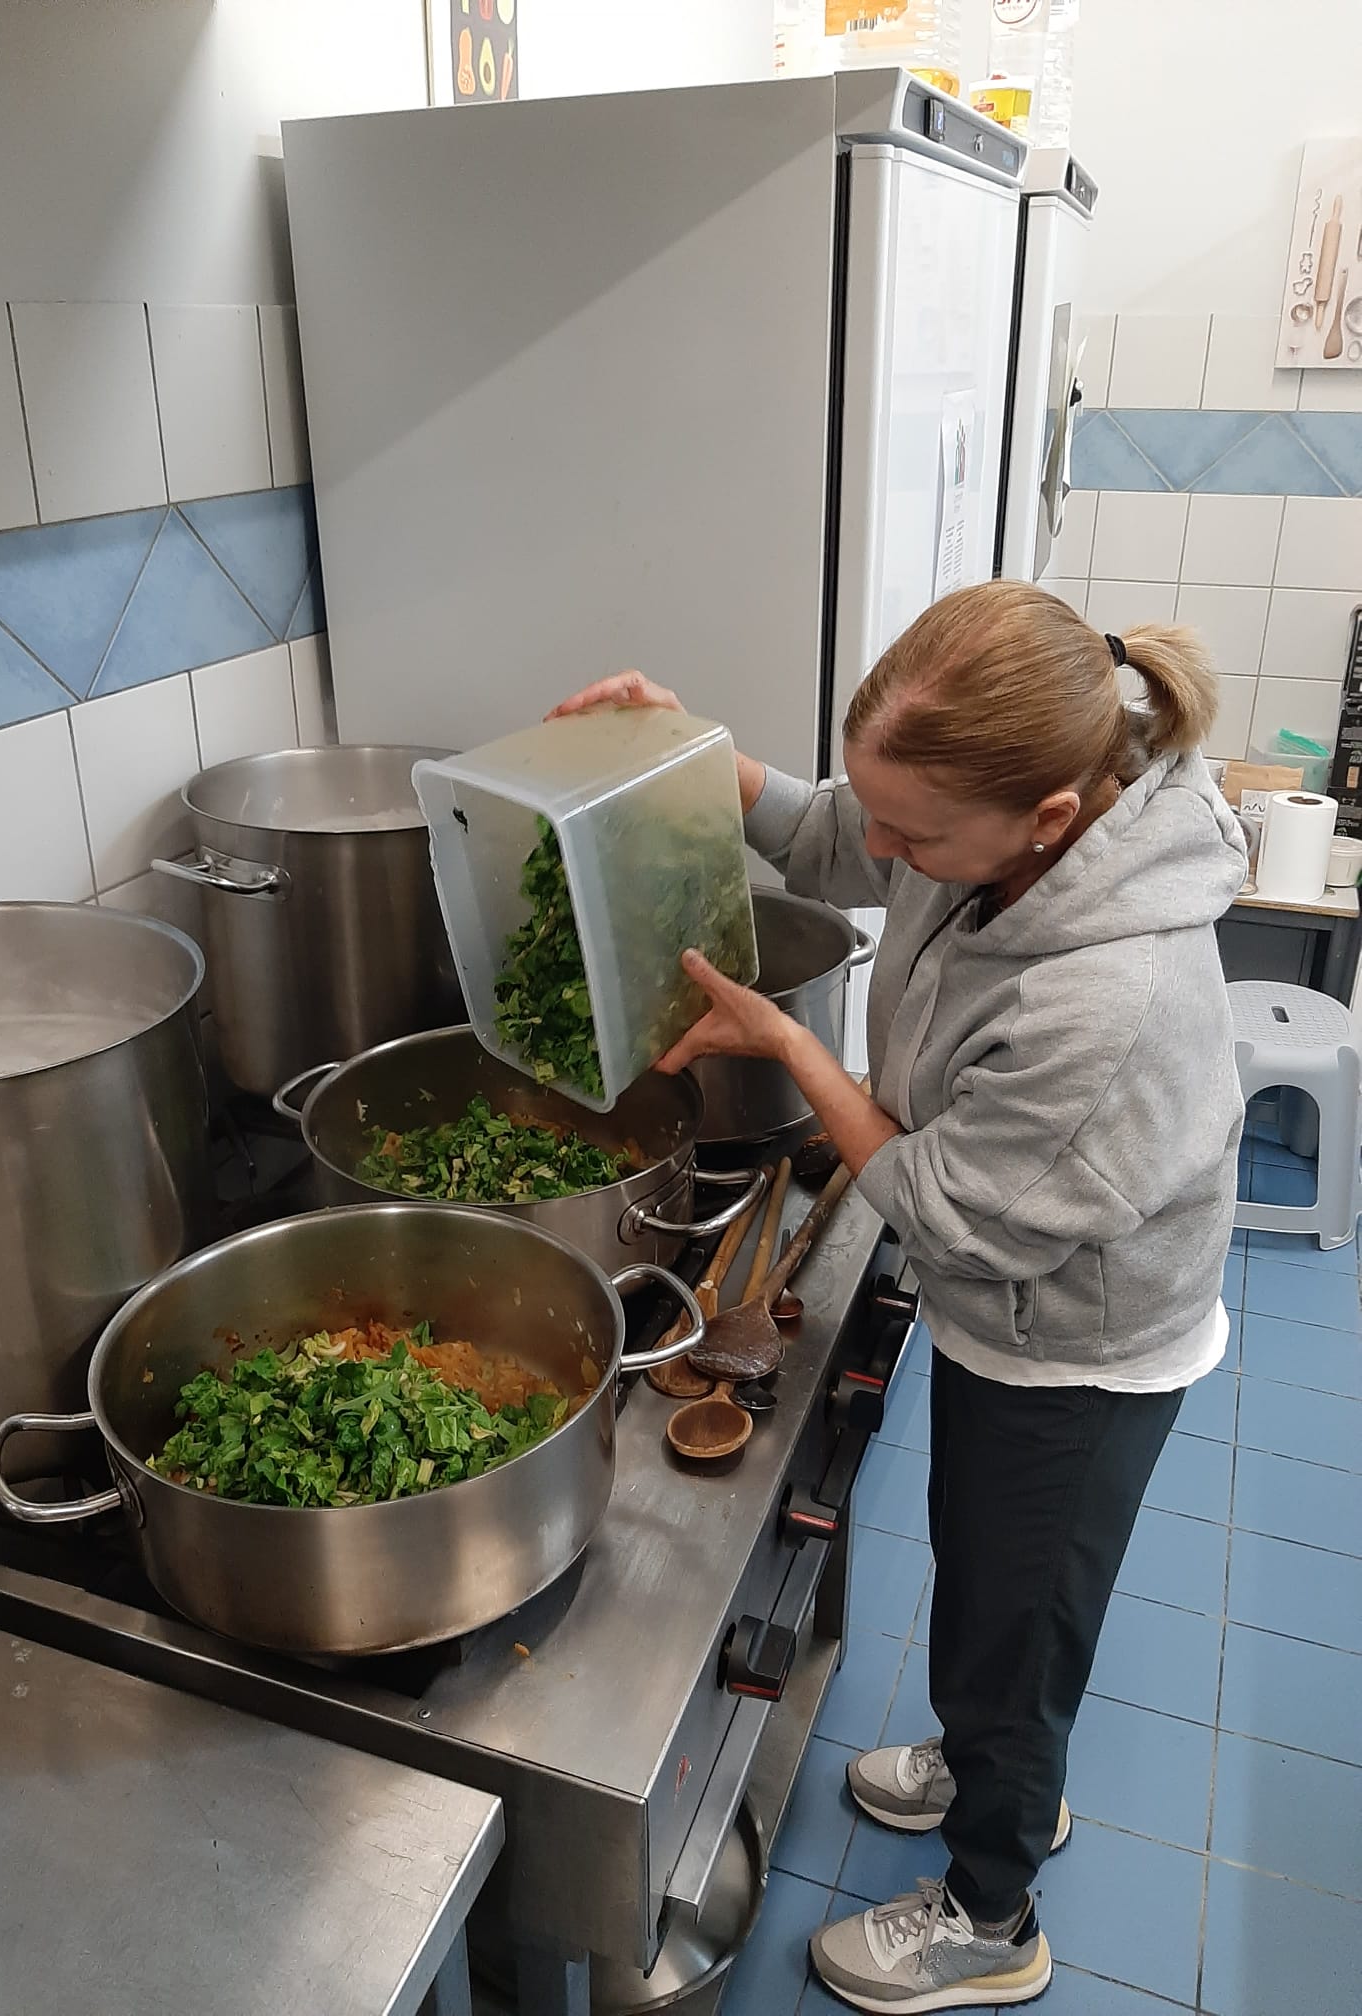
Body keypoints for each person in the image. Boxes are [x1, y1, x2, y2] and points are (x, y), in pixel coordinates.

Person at [551, 580, 1247, 2013]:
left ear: (1048, 817)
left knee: (1022, 1613)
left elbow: (945, 1208)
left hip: (1081, 1351)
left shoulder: (1106, 1000)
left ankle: (995, 1908)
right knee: (990, 1586)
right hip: (1014, 1309)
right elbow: (823, 833)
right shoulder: (1003, 829)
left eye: (914, 834)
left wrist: (794, 1055)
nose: (882, 851)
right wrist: (692, 754)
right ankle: (992, 1758)